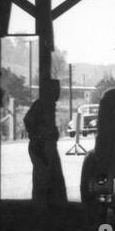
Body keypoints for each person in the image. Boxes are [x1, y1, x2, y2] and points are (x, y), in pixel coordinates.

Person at [24, 79, 68, 214]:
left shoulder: (48, 105)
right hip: (42, 146)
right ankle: (40, 211)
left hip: (47, 145)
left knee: (52, 178)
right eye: (55, 89)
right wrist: (37, 139)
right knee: (42, 180)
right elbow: (28, 121)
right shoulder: (41, 105)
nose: (58, 92)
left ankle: (50, 208)